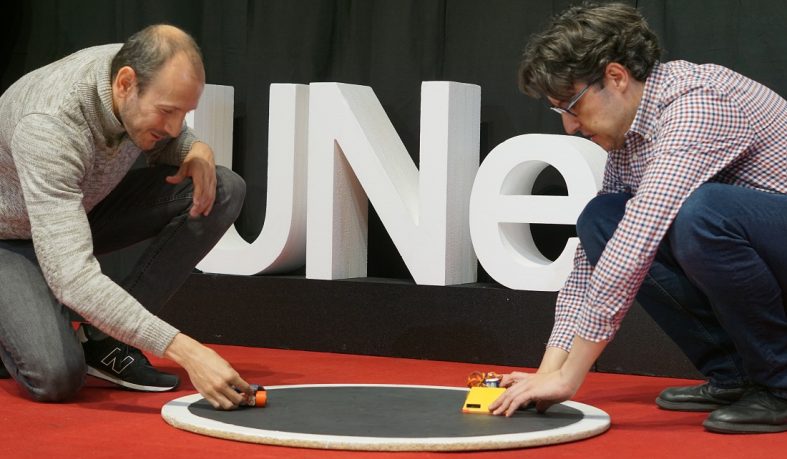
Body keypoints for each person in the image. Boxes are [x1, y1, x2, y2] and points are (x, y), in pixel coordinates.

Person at [489, 3, 787, 434]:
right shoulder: (630, 139)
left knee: (701, 215)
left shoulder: (697, 104)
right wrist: (547, 370)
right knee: (600, 219)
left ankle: (780, 382)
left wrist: (571, 378)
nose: (570, 126)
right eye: (559, 111)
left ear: (615, 76)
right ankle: (735, 376)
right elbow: (595, 259)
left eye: (572, 105)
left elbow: (637, 240)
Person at [0, 24, 253, 410]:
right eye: (167, 112)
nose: (174, 127)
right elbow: (72, 278)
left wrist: (195, 148)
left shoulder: (140, 69)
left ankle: (104, 341)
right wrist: (186, 350)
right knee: (56, 377)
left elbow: (169, 139)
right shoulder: (49, 125)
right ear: (124, 84)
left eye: (183, 113)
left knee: (223, 188)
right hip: (9, 235)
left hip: (75, 209)